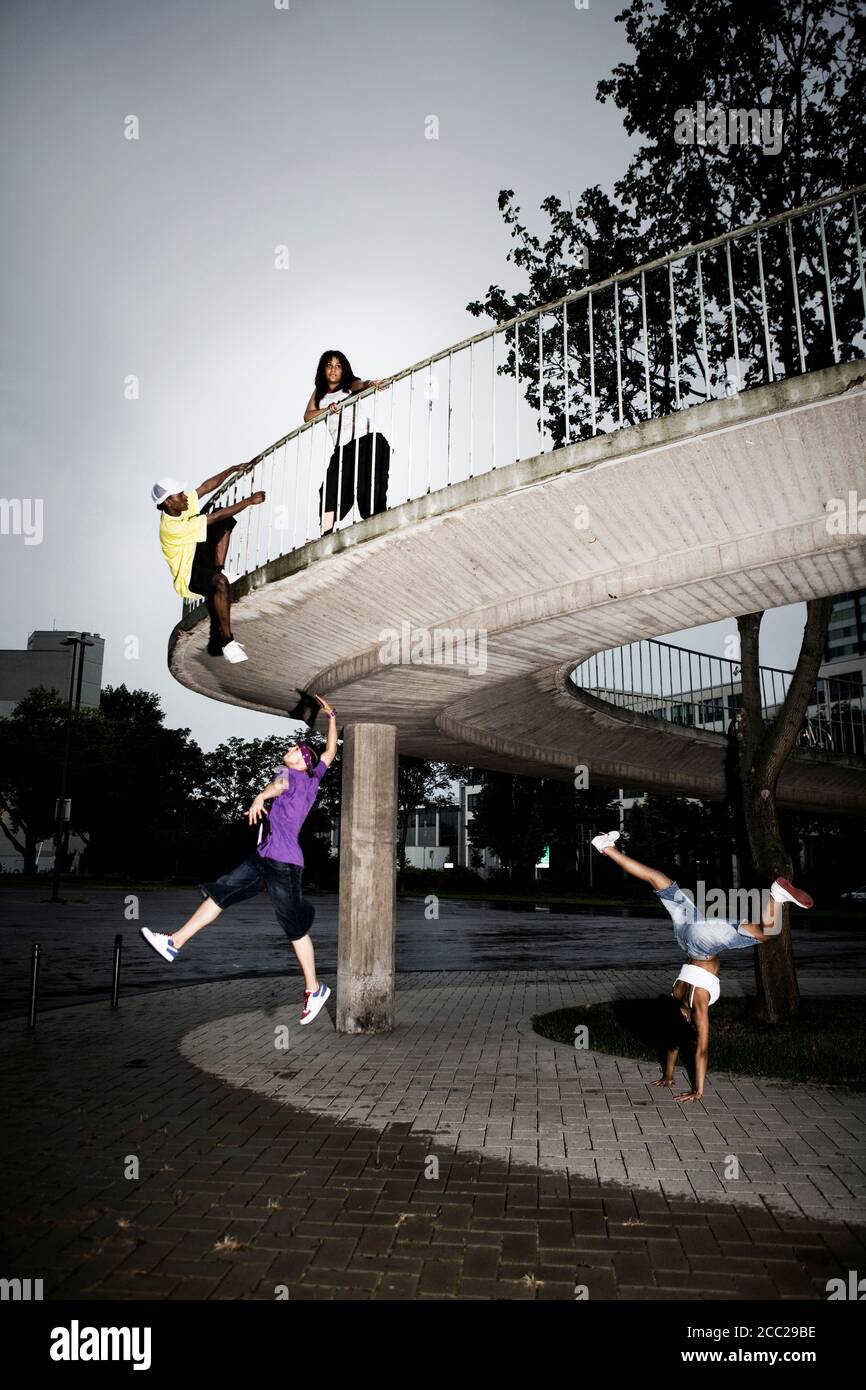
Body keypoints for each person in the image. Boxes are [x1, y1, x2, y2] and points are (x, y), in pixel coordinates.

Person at [141, 694, 338, 1025]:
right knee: (221, 892)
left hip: (284, 863)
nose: (289, 749)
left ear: (302, 761)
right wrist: (331, 716)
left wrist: (261, 795)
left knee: (294, 926)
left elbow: (276, 785)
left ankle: (314, 988)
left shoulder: (292, 776)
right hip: (265, 857)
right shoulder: (314, 777)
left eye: (294, 749)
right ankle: (175, 942)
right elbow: (330, 752)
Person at [591, 830, 814, 1104]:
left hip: (702, 942)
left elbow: (702, 1051)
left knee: (765, 933)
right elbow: (672, 1039)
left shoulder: (696, 1002)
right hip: (685, 931)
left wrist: (698, 1091)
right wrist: (669, 1075)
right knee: (658, 879)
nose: (691, 1024)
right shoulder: (674, 996)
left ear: (684, 1018)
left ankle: (777, 896)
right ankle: (608, 849)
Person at [152, 465, 266, 663]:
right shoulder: (171, 528)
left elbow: (205, 487)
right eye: (180, 495)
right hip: (189, 576)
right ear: (169, 501)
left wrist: (233, 469)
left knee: (224, 517)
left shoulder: (181, 506)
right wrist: (249, 501)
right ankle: (228, 643)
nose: (185, 497)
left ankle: (218, 569)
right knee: (220, 582)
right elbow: (213, 518)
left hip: (196, 555)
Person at [303, 349, 391, 534]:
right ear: (323, 369)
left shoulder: (348, 384)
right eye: (329, 365)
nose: (333, 370)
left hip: (366, 440)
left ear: (344, 370)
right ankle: (326, 535)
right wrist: (327, 409)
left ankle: (377, 522)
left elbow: (359, 385)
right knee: (329, 489)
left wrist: (369, 383)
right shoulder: (319, 392)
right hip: (342, 448)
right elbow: (308, 416)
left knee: (368, 489)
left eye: (338, 366)